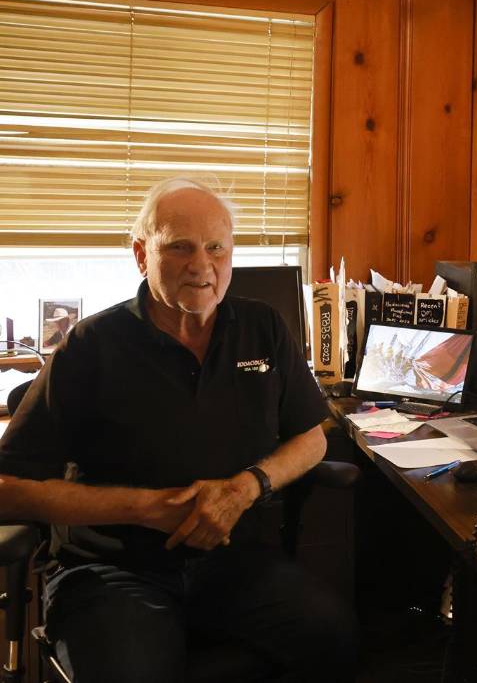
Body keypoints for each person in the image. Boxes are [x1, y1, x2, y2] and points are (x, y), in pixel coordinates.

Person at [0, 177, 356, 683]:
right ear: (141, 254)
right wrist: (147, 509)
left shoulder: (264, 327)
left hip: (236, 562)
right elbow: (8, 490)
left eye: (216, 248)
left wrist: (246, 486)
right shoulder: (91, 346)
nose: (202, 265)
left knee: (334, 636)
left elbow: (312, 437)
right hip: (112, 571)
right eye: (180, 247)